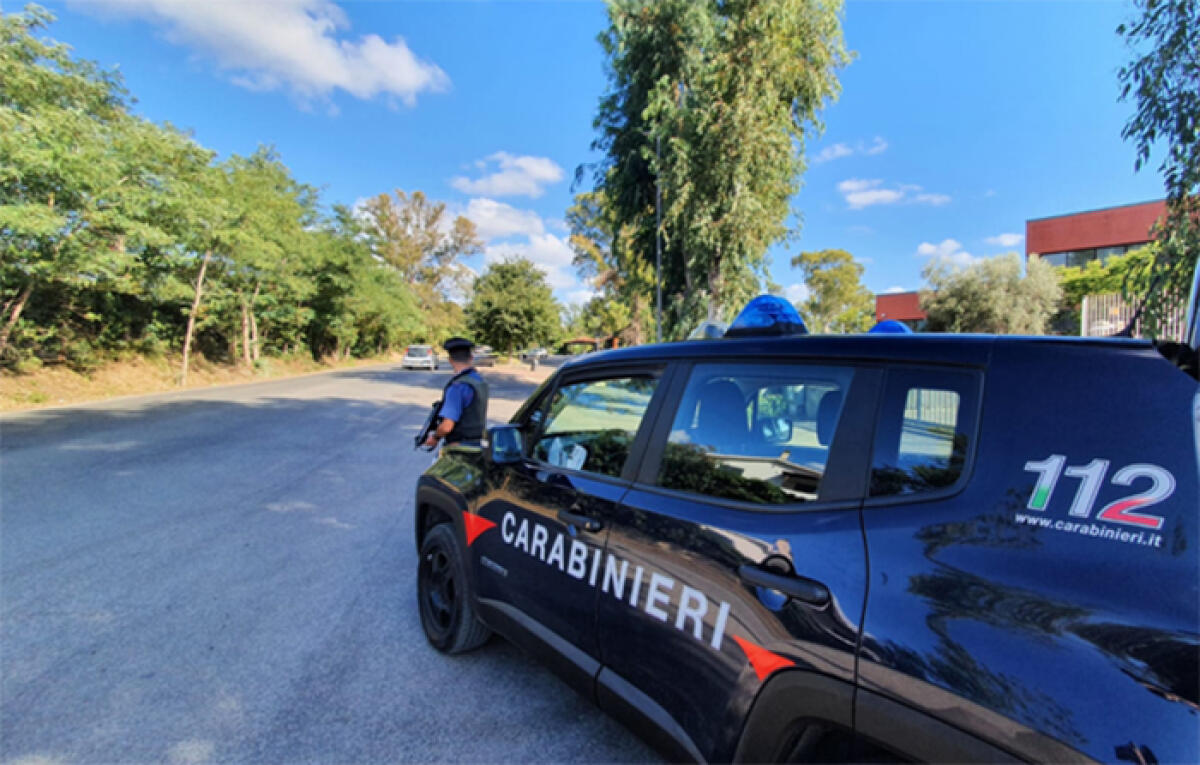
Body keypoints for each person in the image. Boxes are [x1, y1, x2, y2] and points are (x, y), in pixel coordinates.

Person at [423, 337, 489, 449]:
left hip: (460, 448)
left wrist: (435, 437)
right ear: (471, 357)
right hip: (479, 445)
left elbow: (446, 426)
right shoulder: (479, 381)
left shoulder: (457, 387)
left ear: (450, 360)